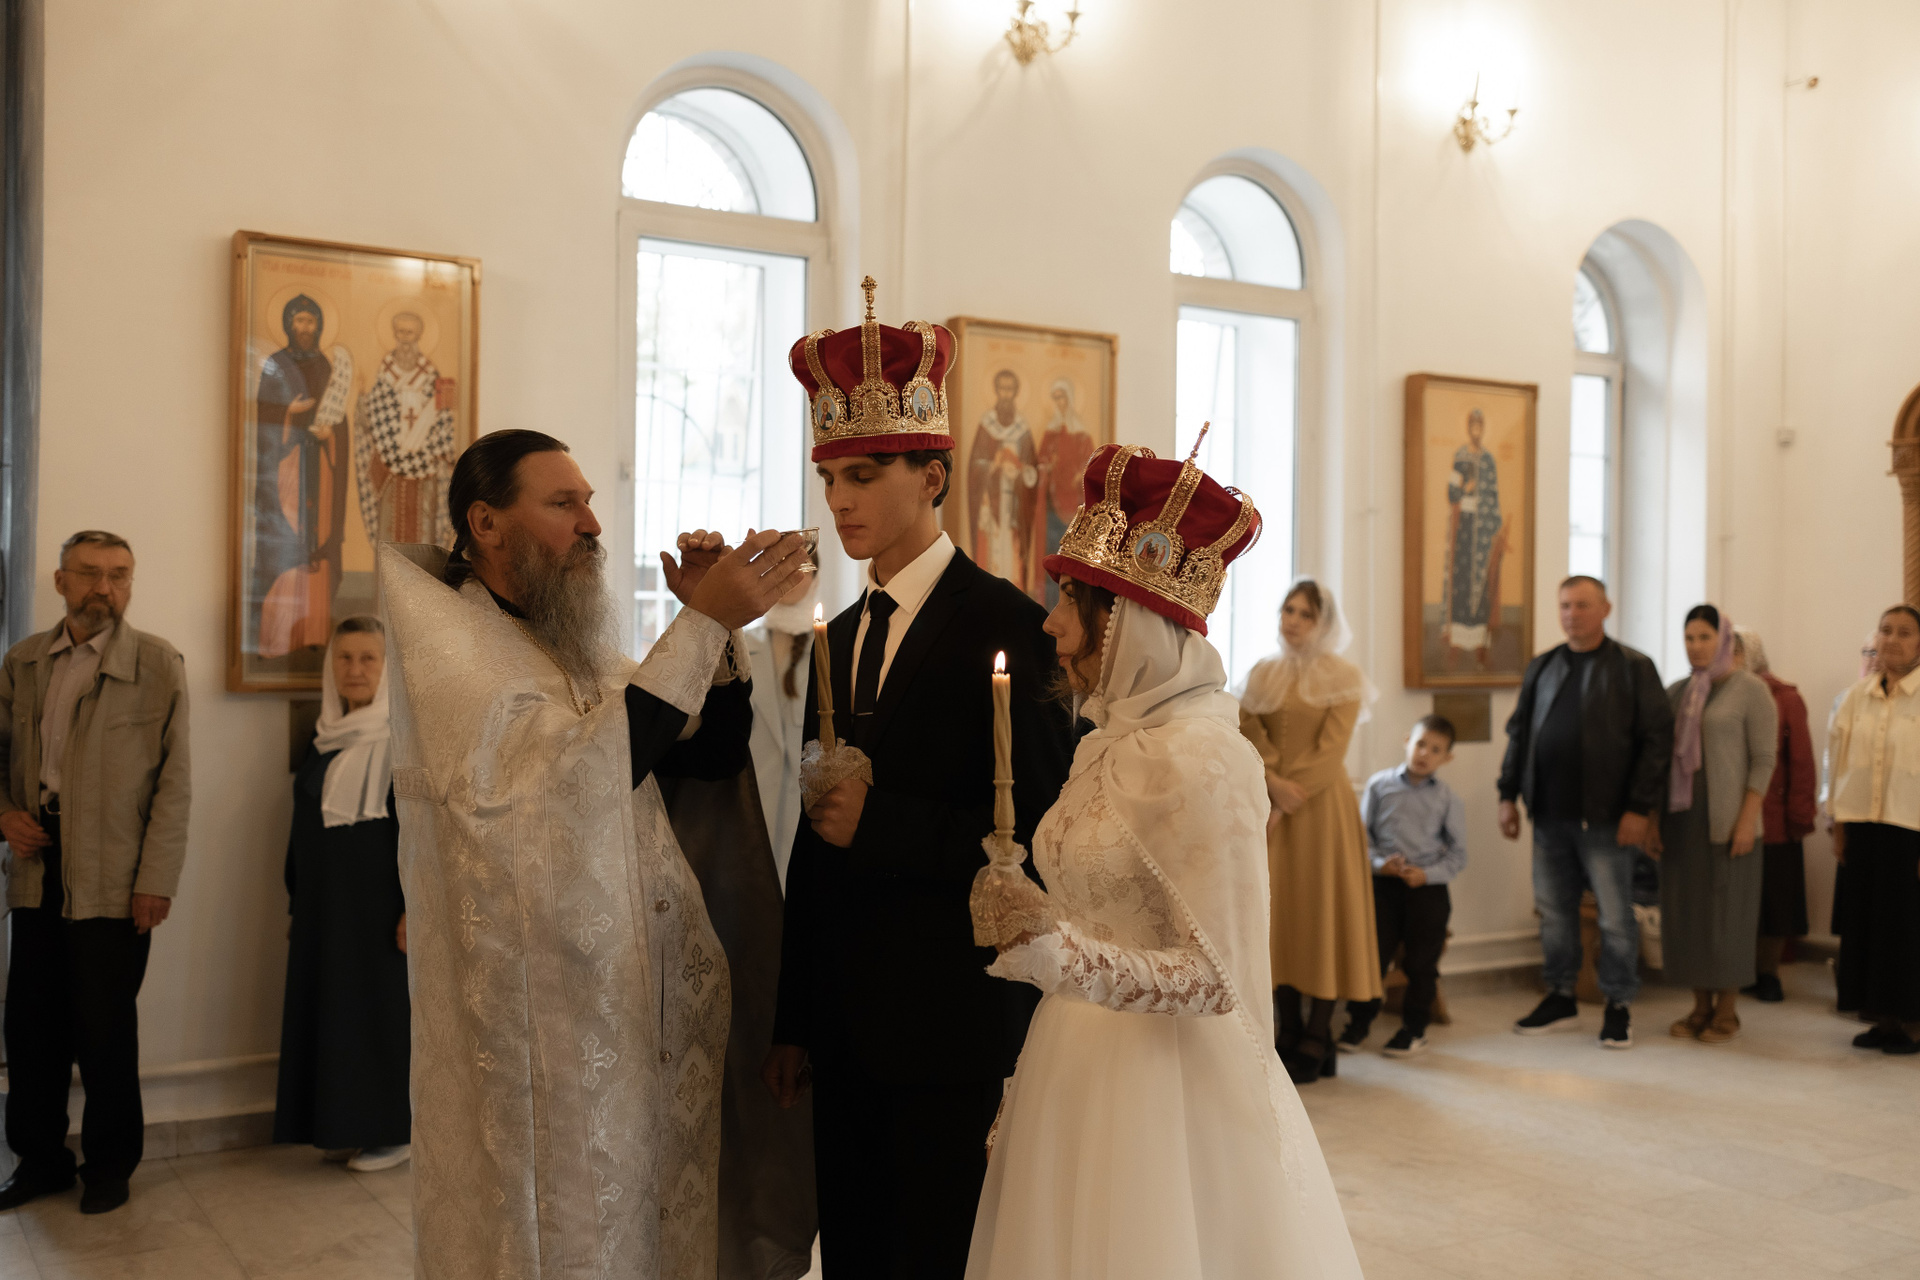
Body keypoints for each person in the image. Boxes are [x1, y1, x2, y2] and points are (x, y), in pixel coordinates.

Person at [380, 429, 809, 1277]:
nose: (593, 524)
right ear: (486, 524)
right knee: (567, 1236)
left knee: (647, 1228)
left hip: (631, 1009)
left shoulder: (566, 641)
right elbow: (568, 780)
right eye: (563, 503)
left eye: (589, 501)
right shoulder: (456, 648)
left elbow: (707, 755)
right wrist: (702, 621)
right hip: (539, 1030)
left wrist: (713, 633)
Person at [964, 439, 1362, 1280]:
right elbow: (1101, 900)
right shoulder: (1105, 740)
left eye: (1072, 602)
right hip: (1070, 1055)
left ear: (1129, 622)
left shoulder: (1206, 758)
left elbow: (1217, 976)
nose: (1051, 623)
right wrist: (1029, 910)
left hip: (1162, 1088)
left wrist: (1063, 955)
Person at [768, 279, 1074, 1279]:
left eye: (864, 474)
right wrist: (796, 1018)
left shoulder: (1011, 628)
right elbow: (816, 838)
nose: (839, 499)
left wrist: (885, 821)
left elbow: (1043, 835)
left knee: (942, 1254)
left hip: (954, 1024)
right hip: (846, 1024)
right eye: (830, 476)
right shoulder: (837, 637)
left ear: (933, 474)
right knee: (854, 1254)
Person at [0, 531, 190, 1215]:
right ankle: (41, 1161)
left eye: (119, 575)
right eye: (89, 574)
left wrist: (156, 879)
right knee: (31, 1028)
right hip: (36, 867)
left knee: (105, 1030)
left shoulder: (159, 664)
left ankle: (109, 1166)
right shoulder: (23, 662)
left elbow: (174, 785)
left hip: (117, 876)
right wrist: (4, 815)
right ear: (61, 581)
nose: (104, 588)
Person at [1499, 575, 1672, 1048]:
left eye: (1581, 605)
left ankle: (1618, 1005)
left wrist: (1639, 808)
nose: (1571, 614)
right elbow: (1519, 733)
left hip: (1609, 819)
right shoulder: (1543, 666)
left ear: (1605, 609)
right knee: (1555, 913)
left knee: (1615, 917)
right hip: (1549, 815)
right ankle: (1561, 996)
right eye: (1565, 606)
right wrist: (1507, 794)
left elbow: (1657, 742)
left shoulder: (1634, 668)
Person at [272, 616, 411, 1171]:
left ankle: (393, 1132)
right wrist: (297, 903)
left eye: (368, 658)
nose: (355, 669)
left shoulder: (406, 741)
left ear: (388, 667)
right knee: (332, 1015)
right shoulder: (323, 738)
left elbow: (423, 838)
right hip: (324, 909)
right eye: (345, 658)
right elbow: (300, 833)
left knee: (378, 1017)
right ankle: (341, 1124)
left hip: (380, 912)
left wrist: (412, 910)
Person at [1237, 577, 1381, 1084]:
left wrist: (1290, 792)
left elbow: (1332, 750)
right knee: (1280, 915)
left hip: (1322, 811)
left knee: (1322, 914)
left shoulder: (1343, 675)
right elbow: (1248, 729)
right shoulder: (1263, 671)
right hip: (1273, 804)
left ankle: (1319, 1035)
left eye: (1304, 614)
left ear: (1323, 623)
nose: (1293, 621)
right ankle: (1289, 1028)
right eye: (1288, 610)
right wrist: (1273, 782)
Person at [1648, 606, 1776, 1044]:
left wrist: (1747, 820)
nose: (1696, 646)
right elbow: (1659, 761)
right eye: (1689, 638)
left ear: (1725, 642)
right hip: (1681, 819)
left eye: (1705, 637)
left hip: (1728, 822)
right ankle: (1699, 1006)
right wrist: (1653, 819)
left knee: (1727, 918)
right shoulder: (1677, 693)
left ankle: (1727, 1011)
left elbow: (1763, 760)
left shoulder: (1751, 690)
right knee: (1688, 916)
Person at [1339, 714, 1468, 1058]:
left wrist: (1426, 875)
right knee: (1372, 957)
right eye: (1421, 744)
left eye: (1436, 749)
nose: (1425, 753)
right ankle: (1358, 1024)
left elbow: (1458, 855)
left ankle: (1414, 1029)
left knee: (1422, 962)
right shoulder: (1379, 785)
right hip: (1383, 887)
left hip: (1427, 890)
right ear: (1407, 742)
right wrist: (1380, 864)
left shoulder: (1447, 798)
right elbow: (1361, 842)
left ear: (1447, 758)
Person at [1826, 604, 1920, 1055]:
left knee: (1906, 927)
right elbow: (1839, 765)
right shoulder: (1855, 698)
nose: (1892, 640)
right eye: (1885, 631)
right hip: (1862, 825)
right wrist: (1838, 825)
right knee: (1867, 923)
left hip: (1910, 828)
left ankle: (1909, 1023)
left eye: (1904, 632)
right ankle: (1881, 1019)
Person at [253, 293, 353, 661]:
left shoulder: (326, 366)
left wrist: (331, 434)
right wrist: (289, 414)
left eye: (311, 321)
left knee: (317, 545)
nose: (305, 328)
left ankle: (314, 633)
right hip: (286, 470)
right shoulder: (275, 365)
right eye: (299, 320)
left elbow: (338, 418)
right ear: (288, 324)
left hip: (320, 470)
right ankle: (280, 636)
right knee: (287, 544)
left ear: (319, 326)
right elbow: (262, 419)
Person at [1732, 626, 1816, 1002]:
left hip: (1776, 819)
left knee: (1774, 901)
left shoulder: (1784, 698)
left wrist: (1799, 817)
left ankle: (1767, 971)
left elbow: (1801, 762)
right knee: (1738, 899)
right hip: (1730, 816)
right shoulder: (1716, 693)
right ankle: (1737, 969)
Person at [353, 309, 459, 548]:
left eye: (409, 333)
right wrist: (361, 404)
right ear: (394, 334)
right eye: (400, 332)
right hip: (390, 469)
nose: (405, 339)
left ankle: (422, 574)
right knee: (390, 531)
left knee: (424, 531)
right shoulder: (385, 372)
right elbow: (372, 416)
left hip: (425, 471)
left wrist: (439, 449)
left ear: (418, 335)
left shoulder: (430, 374)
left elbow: (443, 418)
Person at [744, 545, 818, 886]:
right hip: (750, 807)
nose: (790, 577)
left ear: (816, 576)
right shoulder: (739, 645)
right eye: (780, 567)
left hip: (810, 812)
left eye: (801, 567)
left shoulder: (831, 647)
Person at [1443, 407, 1505, 668]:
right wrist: (1464, 490)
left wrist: (1496, 529)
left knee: (1482, 586)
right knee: (1462, 582)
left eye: (1480, 426)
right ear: (1469, 429)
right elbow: (1451, 492)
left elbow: (1493, 496)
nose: (1477, 431)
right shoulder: (1460, 457)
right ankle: (1457, 642)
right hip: (1465, 529)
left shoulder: (1488, 460)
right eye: (1473, 426)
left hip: (1484, 532)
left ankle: (1480, 644)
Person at [967, 368, 1039, 590]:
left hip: (1014, 504)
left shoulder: (1022, 428)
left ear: (1015, 392)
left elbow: (1033, 472)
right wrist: (994, 464)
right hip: (990, 502)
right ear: (996, 390)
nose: (1005, 394)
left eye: (1010, 389)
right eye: (1001, 388)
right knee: (992, 549)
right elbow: (974, 466)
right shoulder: (986, 424)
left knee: (1012, 549)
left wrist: (1019, 472)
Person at [1027, 377, 1094, 608]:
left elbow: (1090, 468)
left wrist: (1079, 475)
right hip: (1051, 506)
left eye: (1062, 398)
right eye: (1056, 398)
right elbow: (1041, 462)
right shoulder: (1051, 433)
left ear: (1071, 399)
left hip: (1073, 507)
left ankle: (1069, 606)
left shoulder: (1082, 435)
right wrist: (1046, 467)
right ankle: (1048, 607)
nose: (1060, 403)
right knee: (1051, 556)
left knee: (1069, 561)